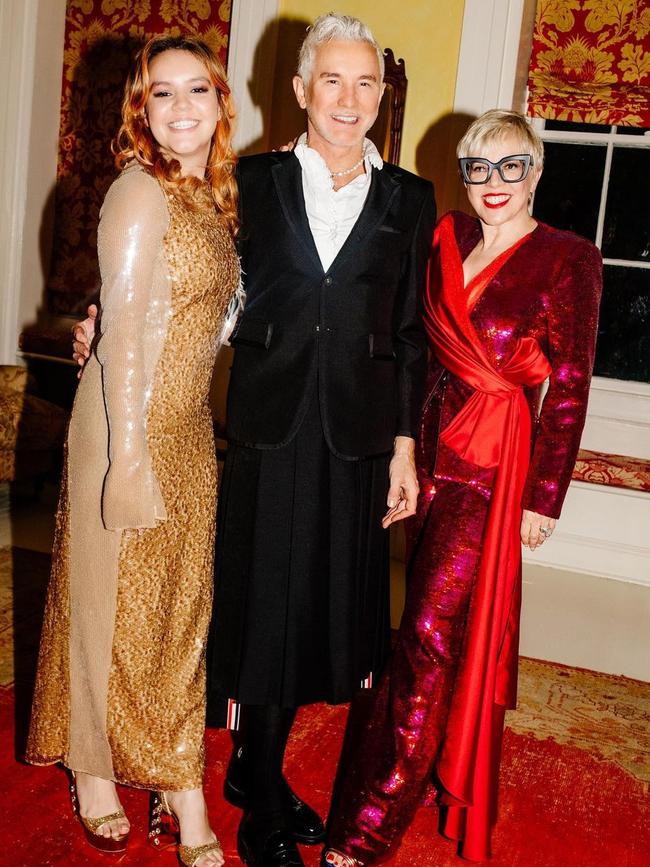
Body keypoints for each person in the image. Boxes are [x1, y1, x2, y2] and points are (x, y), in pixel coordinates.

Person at [73, 15, 435, 867]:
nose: (348, 101)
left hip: (354, 433)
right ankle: (260, 783)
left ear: (382, 96)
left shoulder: (409, 198)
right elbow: (174, 265)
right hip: (264, 427)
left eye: (366, 84)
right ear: (301, 91)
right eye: (331, 82)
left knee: (325, 615)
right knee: (262, 608)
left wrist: (405, 446)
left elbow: (412, 334)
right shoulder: (249, 179)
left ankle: (252, 775)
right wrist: (98, 315)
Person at [323, 110, 602, 865]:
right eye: (478, 167)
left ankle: (370, 823)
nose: (493, 184)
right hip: (432, 460)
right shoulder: (447, 237)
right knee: (424, 626)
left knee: (427, 635)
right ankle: (405, 773)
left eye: (512, 166)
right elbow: (419, 353)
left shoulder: (569, 260)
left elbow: (571, 387)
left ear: (538, 171)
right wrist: (403, 458)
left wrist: (545, 495)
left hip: (494, 469)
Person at [26, 35, 241, 867]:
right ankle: (98, 770)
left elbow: (199, 319)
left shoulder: (208, 198)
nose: (182, 107)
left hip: (187, 430)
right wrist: (126, 459)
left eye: (198, 90)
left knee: (176, 614)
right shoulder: (138, 192)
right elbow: (117, 335)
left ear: (222, 102)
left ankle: (173, 767)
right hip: (125, 427)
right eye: (162, 94)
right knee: (105, 603)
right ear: (139, 111)